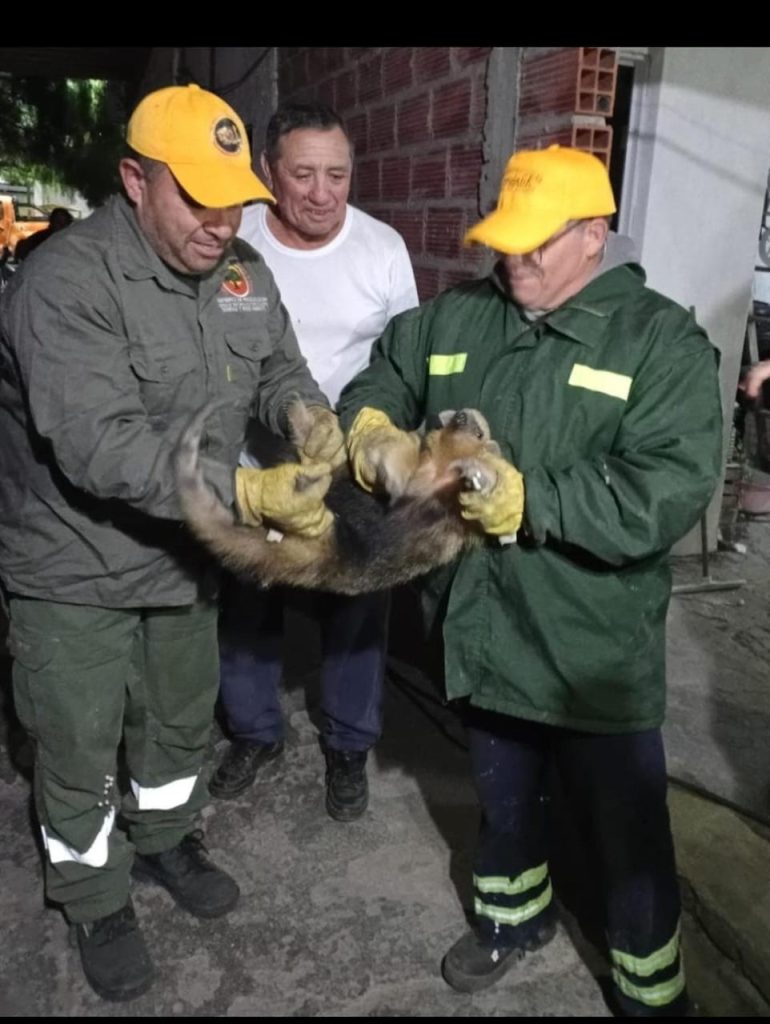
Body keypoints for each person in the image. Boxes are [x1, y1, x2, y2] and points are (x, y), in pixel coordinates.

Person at [339, 145, 723, 1016]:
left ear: (594, 235)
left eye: (539, 243)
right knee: (503, 802)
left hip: (590, 646)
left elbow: (664, 487)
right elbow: (384, 373)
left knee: (625, 837)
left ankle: (649, 989)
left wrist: (530, 500)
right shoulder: (458, 319)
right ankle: (513, 920)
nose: (517, 259)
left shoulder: (657, 341)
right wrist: (367, 428)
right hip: (478, 626)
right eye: (506, 241)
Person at [0, 83, 341, 1003]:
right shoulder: (65, 283)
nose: (220, 220)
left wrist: (312, 418)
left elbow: (278, 366)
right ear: (134, 181)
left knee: (176, 722)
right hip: (72, 565)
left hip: (184, 560)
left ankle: (163, 843)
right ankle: (91, 894)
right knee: (76, 743)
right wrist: (245, 488)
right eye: (196, 196)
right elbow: (97, 443)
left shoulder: (240, 272)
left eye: (232, 197)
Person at [209, 103, 418, 820]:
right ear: (270, 171)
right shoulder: (231, 241)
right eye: (303, 174)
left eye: (338, 174)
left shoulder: (383, 249)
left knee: (358, 610)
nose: (324, 192)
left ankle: (348, 745)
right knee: (248, 606)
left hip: (352, 474)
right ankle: (254, 732)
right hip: (256, 465)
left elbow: (402, 362)